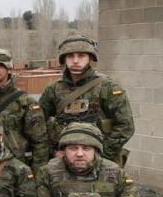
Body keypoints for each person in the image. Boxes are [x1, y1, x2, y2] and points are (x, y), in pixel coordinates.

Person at [40, 34, 133, 164]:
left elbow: (125, 127)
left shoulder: (108, 87)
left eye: (81, 56)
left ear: (90, 58)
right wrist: (53, 152)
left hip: (100, 163)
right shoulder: (53, 89)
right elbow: (37, 125)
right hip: (63, 162)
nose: (76, 60)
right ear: (64, 59)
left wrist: (100, 155)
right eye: (70, 56)